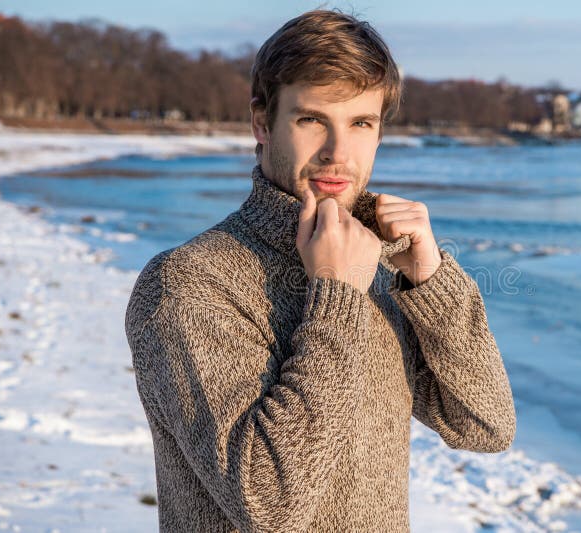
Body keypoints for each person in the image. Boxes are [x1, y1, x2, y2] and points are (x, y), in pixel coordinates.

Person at [125, 9, 516, 532]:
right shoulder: (186, 285)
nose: (338, 152)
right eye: (312, 120)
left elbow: (485, 426)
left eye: (360, 123)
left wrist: (432, 283)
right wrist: (336, 294)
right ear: (262, 123)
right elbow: (270, 507)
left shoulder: (375, 267)